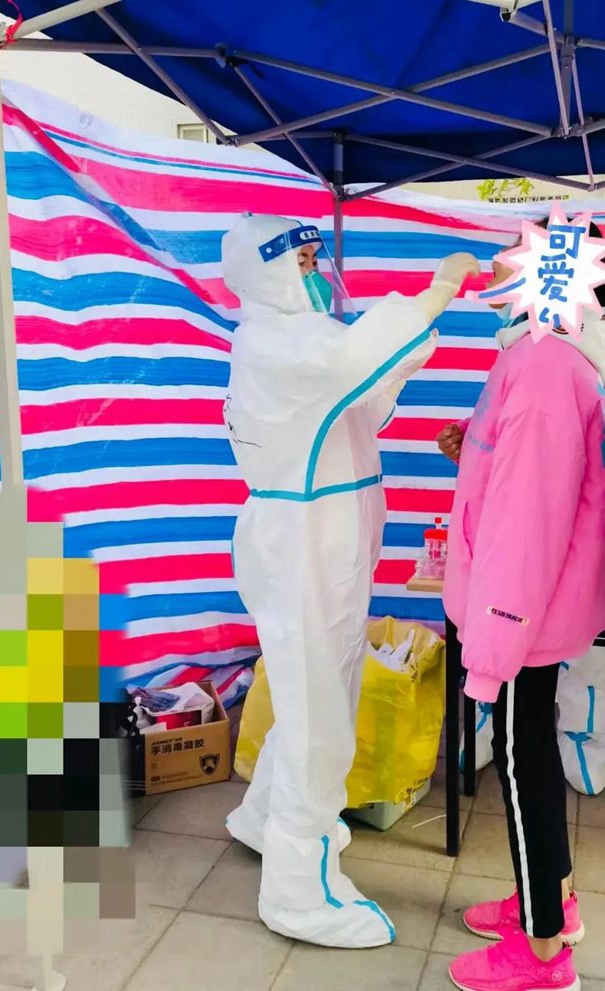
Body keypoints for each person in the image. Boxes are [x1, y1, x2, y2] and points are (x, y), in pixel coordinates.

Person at [222, 213, 479, 948]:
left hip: (319, 541)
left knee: (314, 694)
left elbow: (362, 392)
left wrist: (405, 342)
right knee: (320, 719)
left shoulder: (299, 342)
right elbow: (353, 359)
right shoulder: (279, 343)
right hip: (303, 545)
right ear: (267, 270)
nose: (314, 273)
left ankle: (265, 817)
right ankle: (299, 893)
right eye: (302, 261)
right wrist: (435, 293)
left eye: (315, 259)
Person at [439, 218, 605, 991]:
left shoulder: (541, 370)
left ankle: (543, 951)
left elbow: (525, 525)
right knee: (529, 744)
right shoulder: (549, 360)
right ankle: (552, 901)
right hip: (537, 608)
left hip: (519, 614)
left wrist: (495, 638)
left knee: (519, 755)